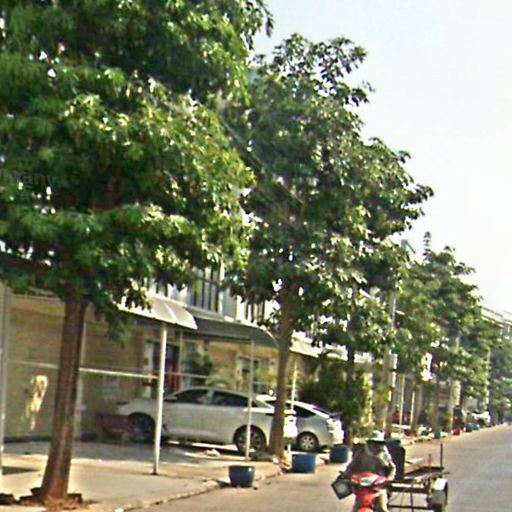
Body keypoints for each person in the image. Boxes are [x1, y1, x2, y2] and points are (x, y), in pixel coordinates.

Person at [344, 431, 396, 512]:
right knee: (356, 508)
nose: (375, 446)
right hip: (363, 485)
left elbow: (392, 468)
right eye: (373, 443)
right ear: (369, 443)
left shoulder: (384, 455)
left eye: (378, 443)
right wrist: (347, 475)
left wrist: (389, 478)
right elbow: (351, 466)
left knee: (382, 508)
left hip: (378, 486)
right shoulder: (361, 454)